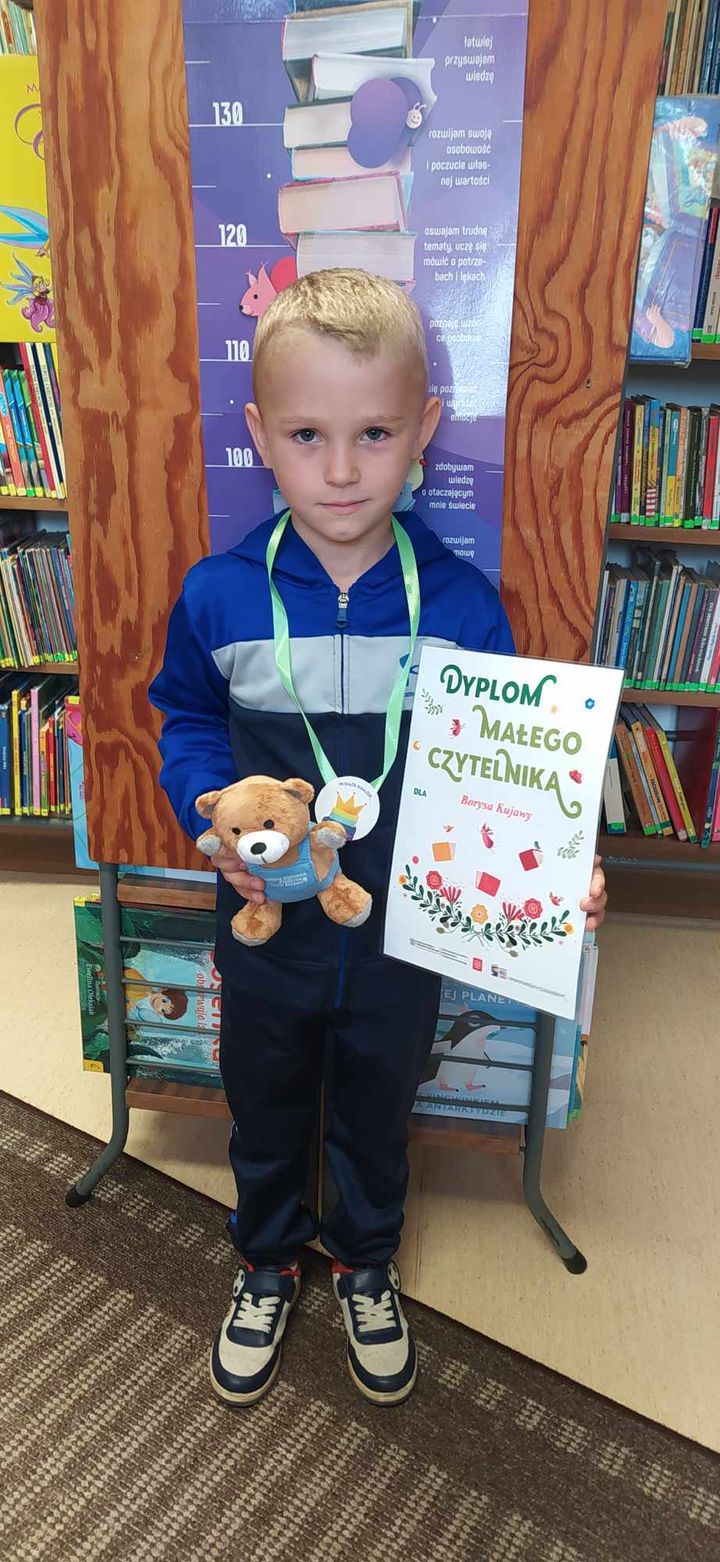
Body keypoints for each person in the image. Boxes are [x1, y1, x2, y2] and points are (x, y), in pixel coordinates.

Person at [149, 269, 607, 1409]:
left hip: (405, 934)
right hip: (267, 925)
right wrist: (207, 805)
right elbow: (187, 721)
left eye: (375, 434)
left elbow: (512, 773)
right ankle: (265, 1258)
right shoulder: (219, 597)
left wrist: (557, 870)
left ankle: (364, 1261)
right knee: (263, 1096)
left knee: (374, 1104)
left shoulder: (463, 605)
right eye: (308, 435)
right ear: (260, 434)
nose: (343, 469)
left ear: (424, 430)